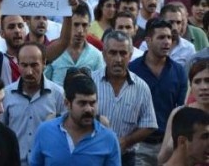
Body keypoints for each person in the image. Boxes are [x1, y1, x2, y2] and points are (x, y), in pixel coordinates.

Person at [92, 31, 158, 166]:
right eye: (113, 53)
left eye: (123, 53)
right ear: (104, 54)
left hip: (126, 158)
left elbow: (149, 124)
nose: (118, 59)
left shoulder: (141, 87)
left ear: (130, 55)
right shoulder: (90, 82)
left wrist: (127, 141)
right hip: (92, 154)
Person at [30, 68, 121, 166]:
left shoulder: (109, 139)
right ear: (67, 104)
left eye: (92, 103)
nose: (88, 109)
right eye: (82, 103)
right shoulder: (45, 131)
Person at [129, 19, 187, 166]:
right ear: (148, 40)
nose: (167, 42)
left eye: (169, 37)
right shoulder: (132, 70)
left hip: (168, 144)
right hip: (139, 144)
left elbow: (180, 109)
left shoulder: (179, 71)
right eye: (161, 37)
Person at [2, 42, 66, 166]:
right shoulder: (6, 95)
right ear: (17, 64)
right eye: (24, 65)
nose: (29, 72)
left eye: (34, 65)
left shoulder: (58, 95)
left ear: (44, 63)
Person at [158, 58, 209, 164]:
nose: (203, 87)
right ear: (190, 86)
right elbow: (163, 157)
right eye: (197, 82)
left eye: (208, 81)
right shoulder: (180, 113)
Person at [45, 3, 104, 85]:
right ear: (67, 25)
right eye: (76, 24)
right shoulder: (54, 52)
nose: (80, 30)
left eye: (84, 25)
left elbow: (100, 86)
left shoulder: (97, 56)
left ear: (89, 26)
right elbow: (45, 82)